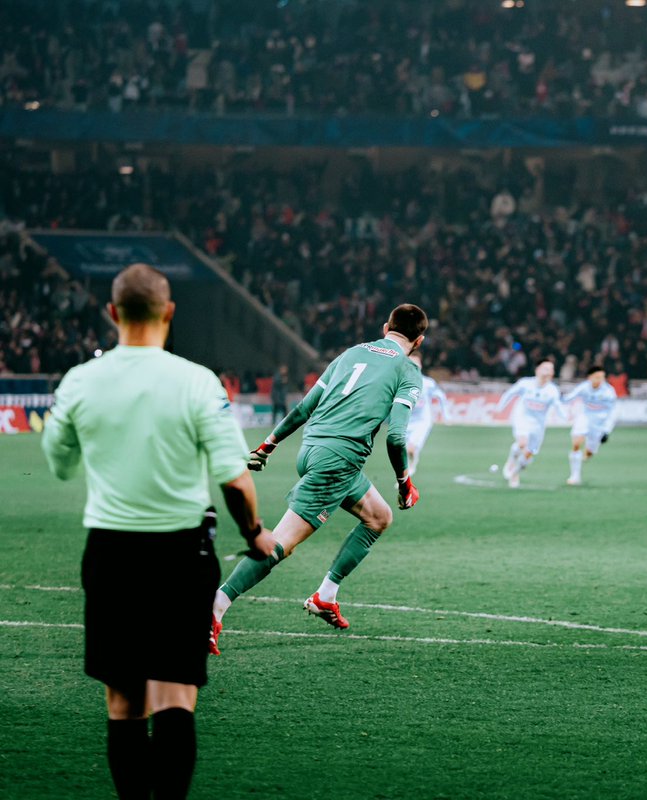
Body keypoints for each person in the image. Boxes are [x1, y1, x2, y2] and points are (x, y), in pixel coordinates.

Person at [41, 263, 274, 800]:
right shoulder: (197, 381)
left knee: (123, 701)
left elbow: (58, 463)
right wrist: (256, 534)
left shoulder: (80, 381)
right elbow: (235, 481)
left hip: (110, 552)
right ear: (170, 313)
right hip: (181, 555)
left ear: (112, 313)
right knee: (174, 695)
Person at [211, 304, 427, 648]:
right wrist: (405, 483)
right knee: (280, 544)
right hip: (338, 461)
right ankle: (215, 608)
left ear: (386, 326)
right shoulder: (407, 369)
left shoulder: (351, 354)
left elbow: (304, 407)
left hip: (313, 449)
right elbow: (398, 436)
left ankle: (326, 596)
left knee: (378, 517)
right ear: (418, 340)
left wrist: (268, 445)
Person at [497, 360, 565, 488]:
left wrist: (564, 416)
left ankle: (515, 471)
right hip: (522, 417)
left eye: (551, 369)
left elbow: (558, 405)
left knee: (529, 454)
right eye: (545, 368)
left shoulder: (552, 390)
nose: (548, 371)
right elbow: (510, 393)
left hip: (538, 424)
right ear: (537, 370)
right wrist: (499, 407)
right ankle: (513, 468)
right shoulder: (525, 383)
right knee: (523, 443)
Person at [562, 364, 618, 485]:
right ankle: (575, 476)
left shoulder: (609, 392)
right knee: (577, 443)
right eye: (597, 377)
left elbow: (613, 412)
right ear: (590, 377)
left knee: (589, 453)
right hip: (585, 418)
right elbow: (570, 397)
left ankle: (582, 458)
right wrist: (560, 397)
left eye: (602, 377)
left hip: (599, 424)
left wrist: (607, 431)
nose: (600, 380)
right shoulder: (584, 387)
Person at [406, 353, 449, 476]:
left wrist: (446, 416)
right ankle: (411, 462)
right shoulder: (400, 381)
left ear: (420, 365)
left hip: (422, 421)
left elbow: (440, 396)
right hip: (406, 421)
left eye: (416, 363)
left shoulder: (427, 383)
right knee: (402, 451)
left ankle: (408, 472)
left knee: (410, 448)